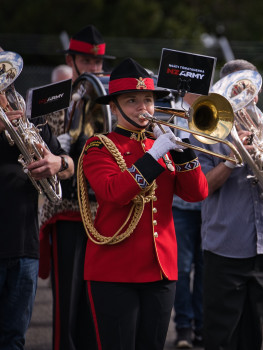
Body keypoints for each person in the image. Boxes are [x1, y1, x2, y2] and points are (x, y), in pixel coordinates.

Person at [79, 57, 208, 349]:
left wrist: (185, 149)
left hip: (161, 268)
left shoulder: (160, 142)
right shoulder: (99, 145)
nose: (143, 108)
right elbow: (113, 192)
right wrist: (152, 157)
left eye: (148, 100)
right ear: (114, 107)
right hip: (114, 270)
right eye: (133, 100)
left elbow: (197, 193)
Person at [193, 59, 263, 350]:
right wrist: (234, 159)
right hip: (225, 247)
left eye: (251, 89)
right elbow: (203, 186)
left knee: (253, 331)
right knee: (220, 334)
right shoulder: (207, 134)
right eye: (238, 90)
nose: (248, 97)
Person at [38, 24, 115, 350]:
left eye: (97, 63)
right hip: (68, 211)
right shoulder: (56, 98)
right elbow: (46, 147)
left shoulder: (110, 101)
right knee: (67, 299)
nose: (94, 69)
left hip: (102, 211)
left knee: (99, 299)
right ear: (71, 60)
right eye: (86, 62)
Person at [0, 50, 75, 349]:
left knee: (14, 339)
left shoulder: (31, 118)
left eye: (7, 88)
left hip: (23, 247)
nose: (5, 96)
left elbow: (68, 164)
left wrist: (60, 164)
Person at [171, 93, 204, 349]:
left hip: (209, 207)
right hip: (181, 206)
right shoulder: (173, 113)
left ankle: (202, 326)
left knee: (205, 270)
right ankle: (184, 327)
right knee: (181, 270)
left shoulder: (214, 111)